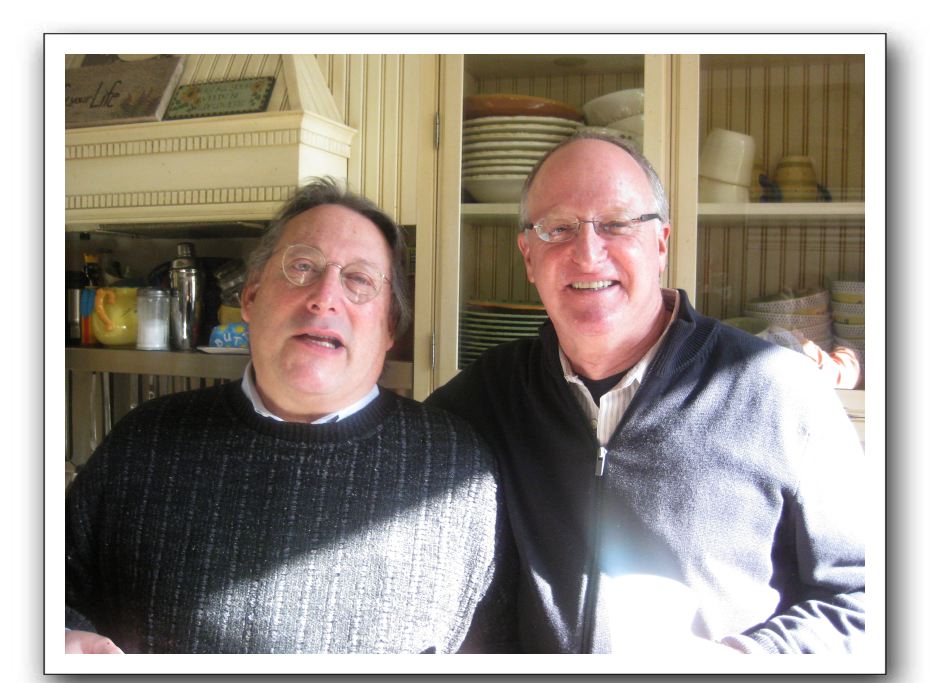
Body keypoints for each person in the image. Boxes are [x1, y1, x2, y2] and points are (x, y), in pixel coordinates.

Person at [427, 129, 866, 654]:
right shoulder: (488, 396)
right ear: (528, 255)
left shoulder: (779, 391)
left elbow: (867, 599)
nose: (588, 253)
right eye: (558, 228)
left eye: (616, 224)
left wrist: (742, 664)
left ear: (660, 244)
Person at [65, 177, 502, 654]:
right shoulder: (143, 443)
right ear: (250, 297)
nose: (324, 297)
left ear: (390, 326)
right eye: (302, 267)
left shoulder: (457, 470)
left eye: (359, 280)